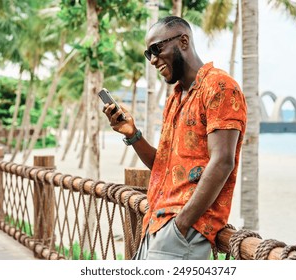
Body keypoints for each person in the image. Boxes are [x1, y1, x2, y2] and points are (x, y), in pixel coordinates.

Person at [102, 16, 247, 260]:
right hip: (155, 226)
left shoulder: (220, 87)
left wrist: (181, 225)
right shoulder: (175, 97)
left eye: (156, 49)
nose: (153, 60)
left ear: (183, 41)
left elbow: (223, 161)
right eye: (148, 54)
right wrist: (133, 134)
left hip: (182, 234)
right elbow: (165, 167)